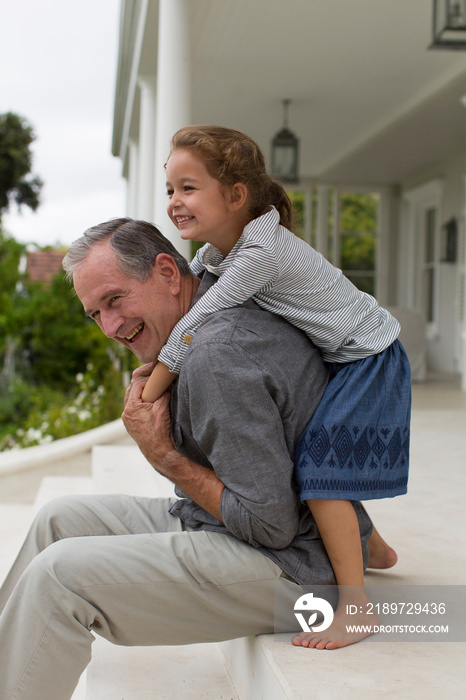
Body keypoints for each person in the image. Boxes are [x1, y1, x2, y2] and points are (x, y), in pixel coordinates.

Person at [0, 218, 377, 699]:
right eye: (95, 313)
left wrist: (166, 457)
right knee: (59, 519)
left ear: (167, 272)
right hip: (245, 531)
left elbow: (270, 526)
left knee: (61, 578)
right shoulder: (206, 308)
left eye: (115, 300)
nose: (110, 327)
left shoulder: (215, 355)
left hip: (295, 570)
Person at [141, 125, 411, 649]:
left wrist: (150, 392)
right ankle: (373, 548)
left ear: (237, 195)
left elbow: (198, 322)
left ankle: (355, 607)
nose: (174, 202)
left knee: (324, 472)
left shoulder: (260, 250)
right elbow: (195, 309)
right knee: (317, 449)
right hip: (343, 354)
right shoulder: (219, 255)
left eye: (188, 188)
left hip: (367, 354)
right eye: (170, 189)